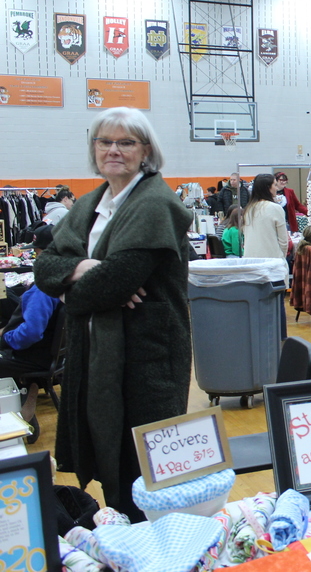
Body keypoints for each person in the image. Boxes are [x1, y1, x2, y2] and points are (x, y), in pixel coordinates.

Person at [33, 107, 193, 522]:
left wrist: (78, 285)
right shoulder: (90, 204)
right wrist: (81, 271)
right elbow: (44, 268)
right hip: (96, 355)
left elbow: (116, 283)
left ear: (146, 151)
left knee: (142, 474)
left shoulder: (157, 203)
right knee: (109, 461)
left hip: (146, 361)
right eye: (105, 142)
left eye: (126, 142)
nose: (114, 150)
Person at [1, 225, 61, 440]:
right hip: (49, 356)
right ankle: (27, 392)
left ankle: (19, 410)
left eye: (37, 252)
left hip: (33, 356)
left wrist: (5, 337)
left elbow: (32, 333)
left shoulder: (44, 288)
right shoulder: (65, 280)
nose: (35, 256)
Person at [240, 173, 288, 259]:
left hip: (250, 260)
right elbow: (283, 241)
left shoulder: (247, 209)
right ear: (268, 187)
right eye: (275, 185)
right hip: (271, 260)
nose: (277, 188)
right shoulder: (275, 208)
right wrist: (281, 259)